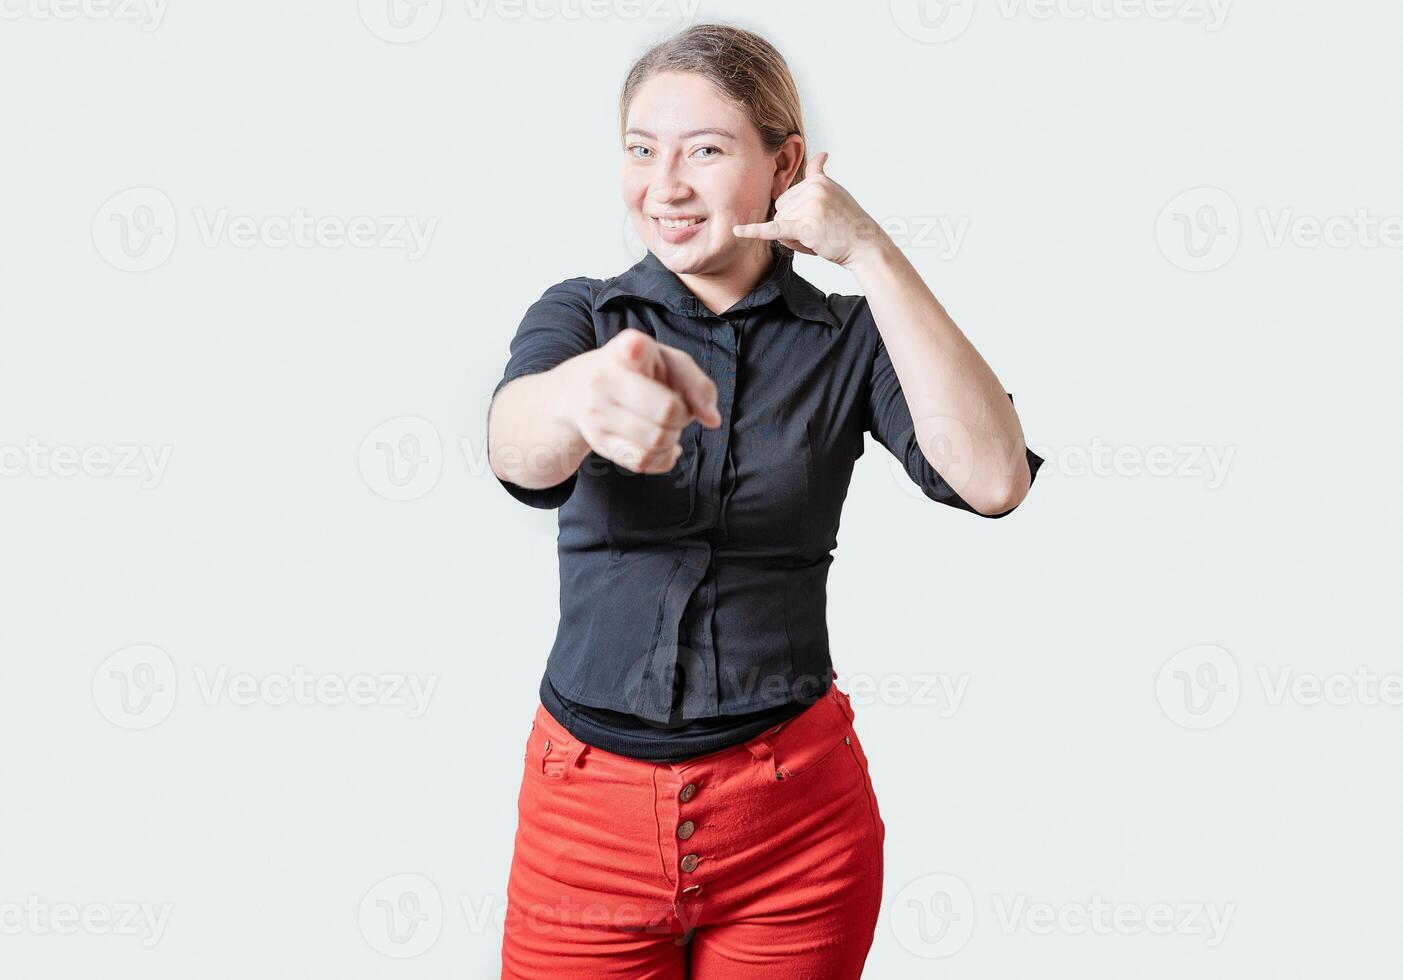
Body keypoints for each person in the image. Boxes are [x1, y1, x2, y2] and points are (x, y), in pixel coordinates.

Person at [487, 22, 1043, 980]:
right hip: (584, 822)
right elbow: (516, 449)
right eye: (640, 149)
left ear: (784, 165)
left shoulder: (851, 339)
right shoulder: (583, 315)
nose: (664, 185)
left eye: (704, 149)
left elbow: (992, 480)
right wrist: (583, 396)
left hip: (794, 825)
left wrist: (867, 250)